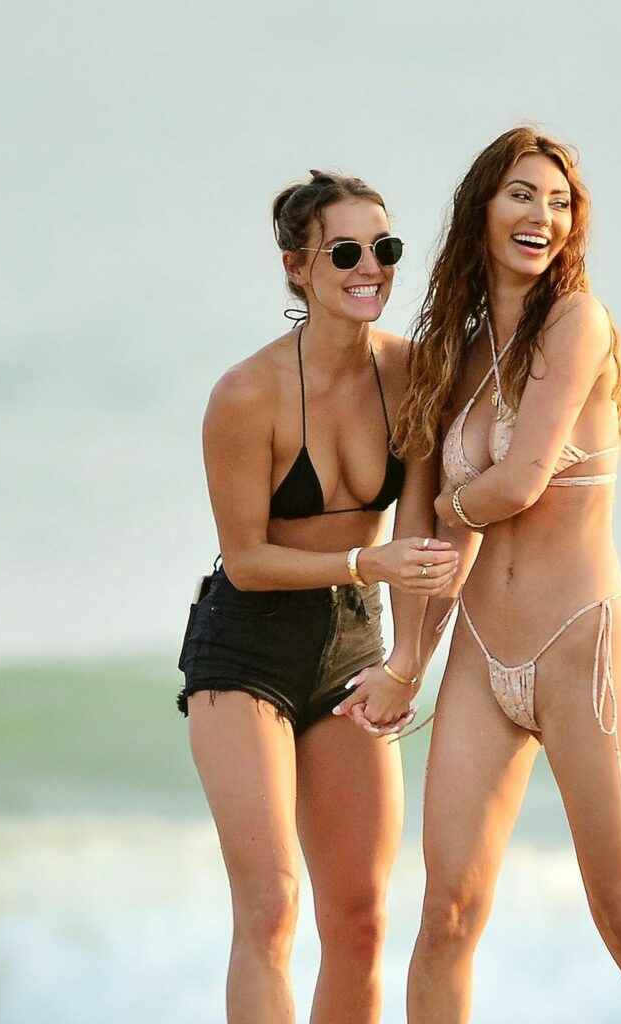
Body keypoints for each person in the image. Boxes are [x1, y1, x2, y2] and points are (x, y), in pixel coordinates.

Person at [340, 128, 621, 1022]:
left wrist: (451, 506)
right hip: (482, 656)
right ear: (482, 210)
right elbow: (418, 527)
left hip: (583, 648)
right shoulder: (452, 355)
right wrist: (405, 663)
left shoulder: (578, 323)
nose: (543, 215)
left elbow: (519, 482)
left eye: (559, 202)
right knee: (444, 917)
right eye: (522, 194)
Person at [175, 169, 459, 1024]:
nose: (369, 267)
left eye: (384, 248)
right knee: (270, 908)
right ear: (298, 267)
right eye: (344, 252)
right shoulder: (246, 394)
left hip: (350, 647)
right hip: (245, 649)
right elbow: (246, 559)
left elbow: (419, 534)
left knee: (362, 920)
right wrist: (365, 563)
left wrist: (408, 662)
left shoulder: (412, 373)